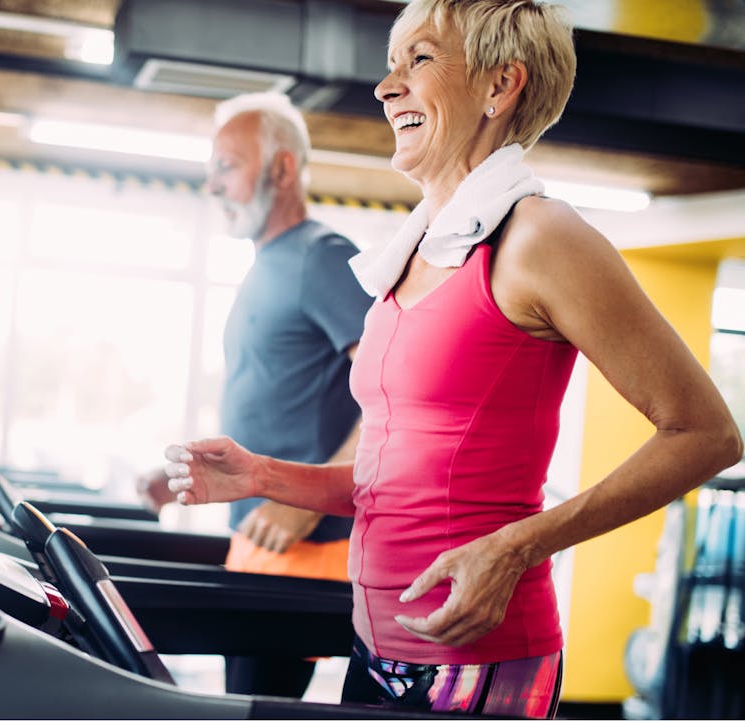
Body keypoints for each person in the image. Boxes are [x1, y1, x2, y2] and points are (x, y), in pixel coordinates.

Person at [162, 0, 744, 717]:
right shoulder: (411, 259)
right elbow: (392, 483)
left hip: (479, 660)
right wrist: (262, 475)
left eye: (420, 60)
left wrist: (517, 548)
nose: (385, 87)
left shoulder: (539, 238)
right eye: (391, 64)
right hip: (374, 643)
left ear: (499, 88)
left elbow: (706, 433)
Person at [137, 91, 373, 698]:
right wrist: (188, 473)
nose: (212, 185)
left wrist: (308, 501)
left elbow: (395, 394)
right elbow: (278, 401)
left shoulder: (321, 258)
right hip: (259, 541)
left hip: (305, 549)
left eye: (226, 166)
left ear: (283, 168)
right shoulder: (267, 264)